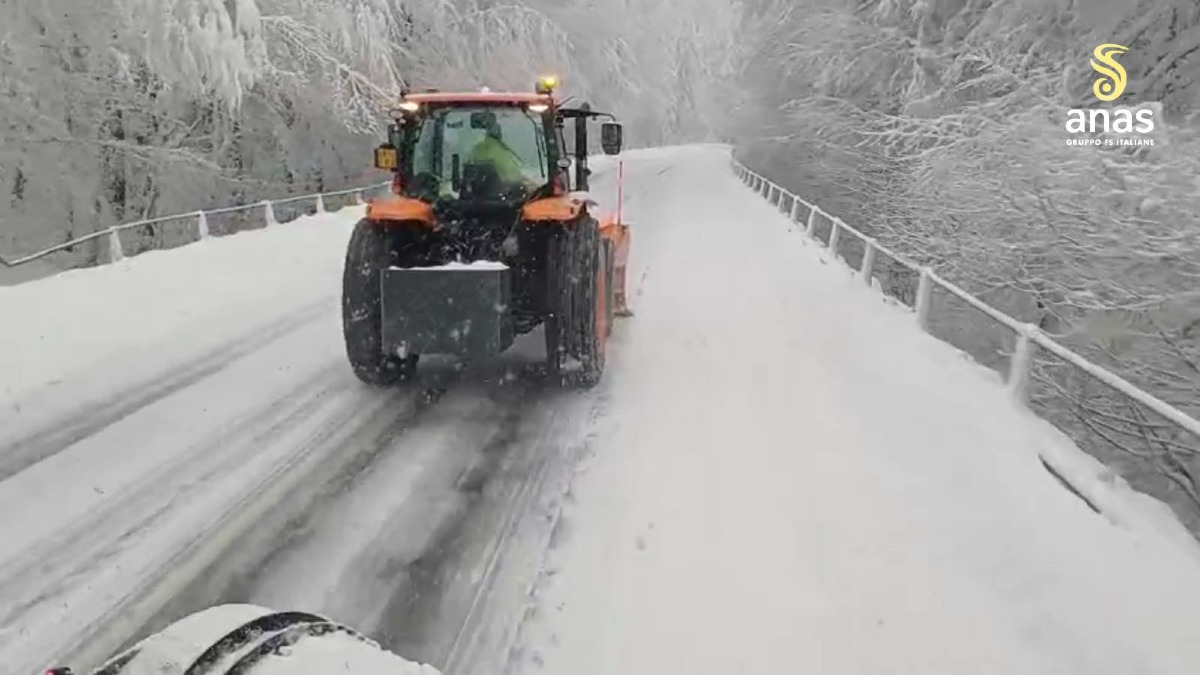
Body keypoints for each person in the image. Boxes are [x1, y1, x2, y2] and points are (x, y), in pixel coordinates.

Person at [466, 113, 540, 191]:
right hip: (499, 192)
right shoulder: (500, 151)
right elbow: (514, 176)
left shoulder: (476, 149)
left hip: (477, 192)